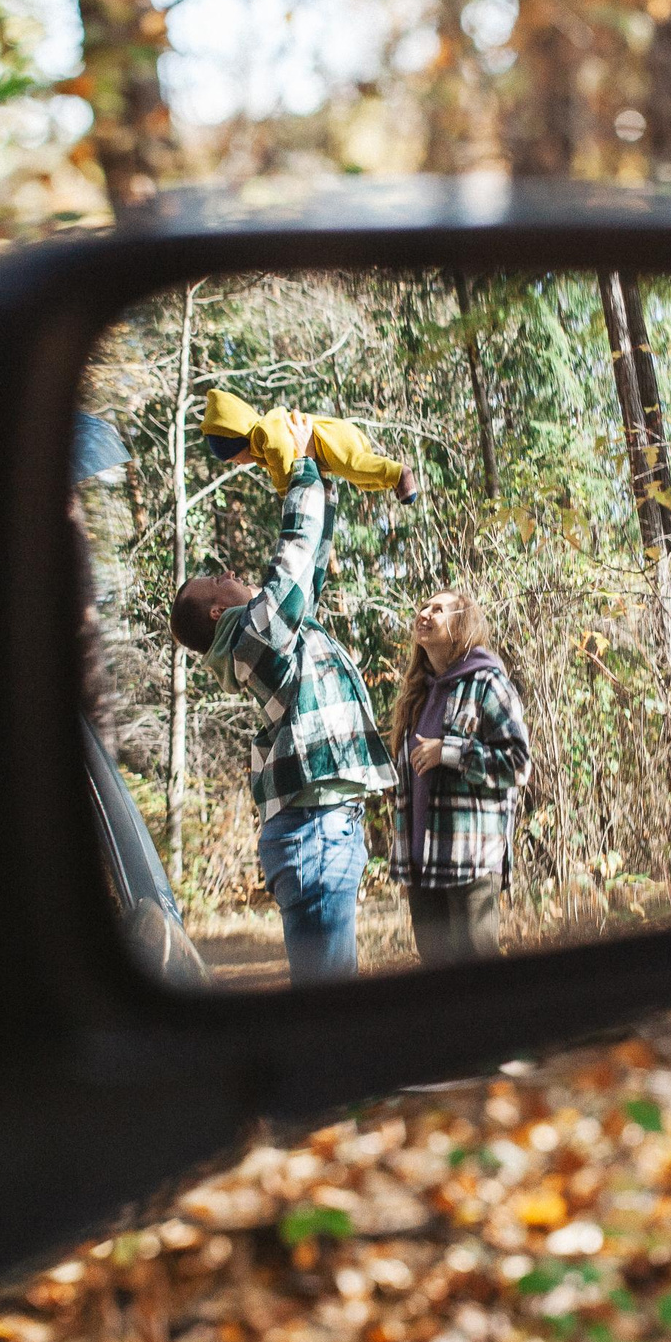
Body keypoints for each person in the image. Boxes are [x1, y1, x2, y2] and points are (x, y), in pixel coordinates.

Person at [170, 413, 398, 984]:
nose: (226, 571)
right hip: (316, 830)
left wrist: (321, 472)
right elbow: (292, 558)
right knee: (329, 1004)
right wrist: (297, 471)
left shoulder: (270, 632)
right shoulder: (249, 638)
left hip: (321, 825)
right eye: (214, 580)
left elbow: (310, 568)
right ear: (219, 612)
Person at [389, 589, 531, 966]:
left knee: (478, 988)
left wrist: (449, 752)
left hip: (470, 862)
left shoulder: (487, 683)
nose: (425, 612)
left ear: (461, 624)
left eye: (438, 609)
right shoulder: (416, 694)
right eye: (423, 605)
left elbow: (518, 764)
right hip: (422, 865)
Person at [201, 386, 420, 503]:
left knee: (355, 465)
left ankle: (400, 474)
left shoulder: (265, 432)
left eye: (234, 459)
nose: (238, 464)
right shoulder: (261, 449)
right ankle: (393, 482)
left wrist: (285, 489)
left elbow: (281, 452)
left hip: (334, 440)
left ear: (237, 443)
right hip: (328, 452)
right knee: (361, 478)